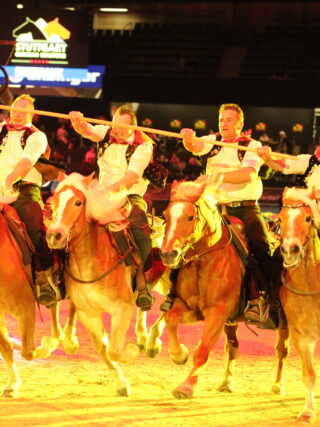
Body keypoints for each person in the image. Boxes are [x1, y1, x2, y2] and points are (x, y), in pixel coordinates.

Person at [166, 103, 273, 322]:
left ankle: (262, 299)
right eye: (221, 120)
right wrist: (188, 138)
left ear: (240, 124)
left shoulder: (252, 145)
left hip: (245, 208)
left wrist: (217, 177)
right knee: (183, 237)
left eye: (229, 120)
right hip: (212, 207)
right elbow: (196, 147)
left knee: (262, 248)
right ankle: (173, 292)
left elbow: (249, 174)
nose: (223, 123)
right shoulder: (212, 142)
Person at [69, 105, 154, 311]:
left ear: (132, 127)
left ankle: (142, 280)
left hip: (129, 195)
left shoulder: (144, 146)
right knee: (71, 219)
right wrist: (77, 121)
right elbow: (86, 130)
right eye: (114, 123)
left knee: (139, 227)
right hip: (102, 194)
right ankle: (63, 274)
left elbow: (131, 177)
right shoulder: (106, 132)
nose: (114, 129)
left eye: (120, 127)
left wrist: (107, 191)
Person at [0, 94, 61, 308]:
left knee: (35, 227)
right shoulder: (0, 129)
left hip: (24, 189)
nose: (17, 114)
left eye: (23, 112)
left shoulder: (37, 137)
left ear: (32, 115)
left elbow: (26, 162)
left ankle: (43, 277)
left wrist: (8, 180)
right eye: (14, 110)